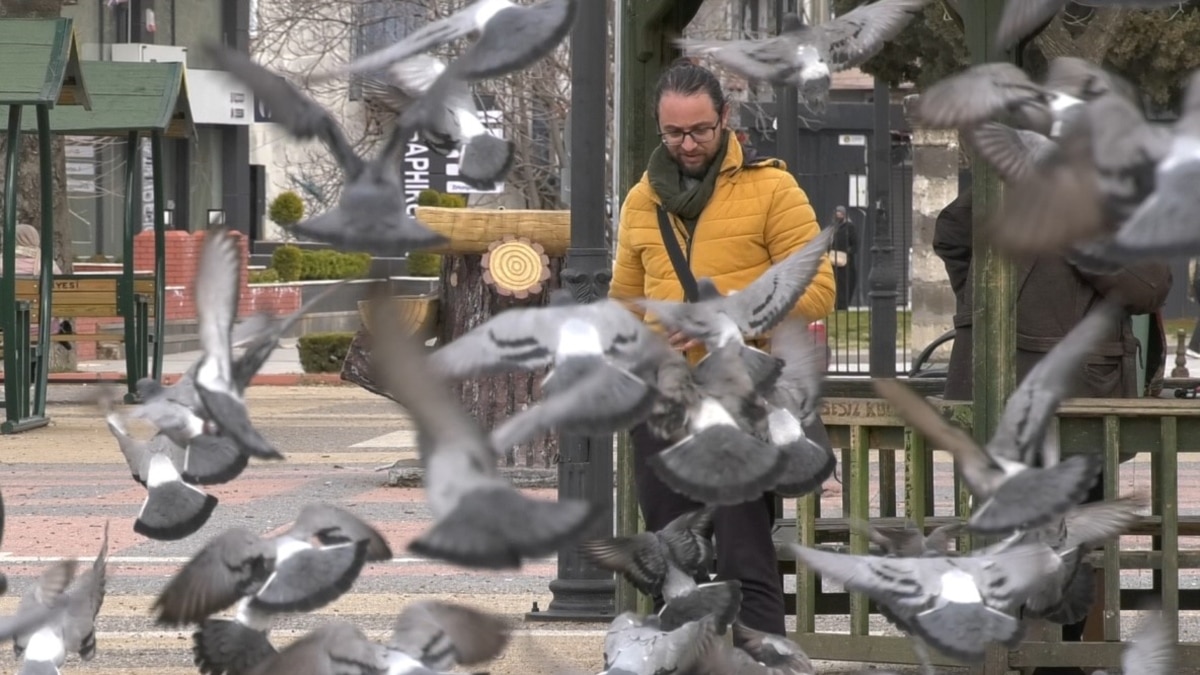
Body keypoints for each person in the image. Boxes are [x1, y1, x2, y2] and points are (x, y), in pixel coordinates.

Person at [608, 58, 837, 641]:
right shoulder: (642, 200)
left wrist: (729, 313)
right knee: (671, 561)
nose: (688, 144)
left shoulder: (771, 187)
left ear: (726, 120)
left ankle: (761, 658)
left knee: (744, 556)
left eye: (700, 131)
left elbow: (820, 289)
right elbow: (624, 304)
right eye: (674, 133)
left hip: (739, 406)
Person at [932, 188, 1172, 675]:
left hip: (1015, 394)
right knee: (1059, 537)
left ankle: (1018, 652)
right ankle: (1051, 658)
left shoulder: (996, 189)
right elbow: (1149, 285)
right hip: (1071, 397)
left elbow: (953, 242)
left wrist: (980, 311)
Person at [828, 206, 859, 310]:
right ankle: (835, 304)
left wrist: (847, 252)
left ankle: (843, 305)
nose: (838, 215)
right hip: (833, 261)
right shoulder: (834, 227)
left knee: (844, 284)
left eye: (840, 213)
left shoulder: (849, 227)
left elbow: (855, 244)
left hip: (846, 262)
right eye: (837, 212)